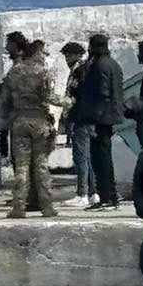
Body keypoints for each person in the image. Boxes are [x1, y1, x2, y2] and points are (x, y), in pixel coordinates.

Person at [0, 38, 58, 218]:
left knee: (22, 167)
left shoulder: (14, 72)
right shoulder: (43, 72)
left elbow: (4, 101)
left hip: (19, 122)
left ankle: (18, 208)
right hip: (39, 121)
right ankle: (47, 207)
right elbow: (50, 97)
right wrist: (70, 103)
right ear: (36, 54)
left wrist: (4, 119)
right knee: (41, 166)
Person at [73, 33, 124, 209]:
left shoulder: (100, 65)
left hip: (100, 119)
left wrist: (94, 121)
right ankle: (109, 197)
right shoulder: (112, 64)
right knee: (104, 159)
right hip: (108, 118)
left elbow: (102, 94)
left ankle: (107, 198)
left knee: (101, 160)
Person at [59, 42, 94, 207]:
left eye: (69, 55)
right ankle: (92, 193)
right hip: (80, 119)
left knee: (81, 157)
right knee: (86, 157)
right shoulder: (79, 70)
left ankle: (83, 194)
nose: (67, 59)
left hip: (80, 120)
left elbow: (75, 97)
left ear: (78, 55)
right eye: (66, 55)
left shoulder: (80, 71)